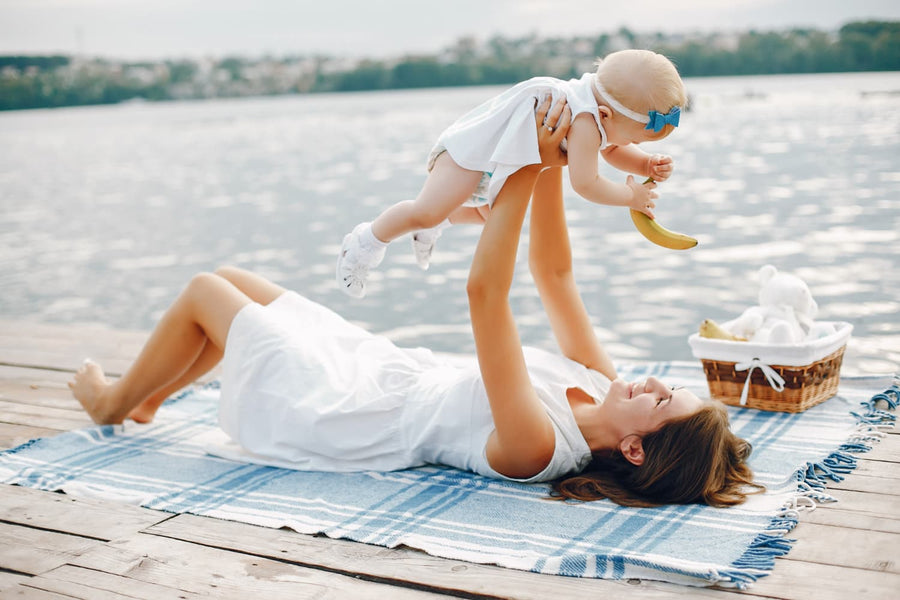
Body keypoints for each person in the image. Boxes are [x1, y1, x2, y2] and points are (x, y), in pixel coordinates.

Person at [69, 98, 759, 507]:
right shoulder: (599, 386)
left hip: (341, 413)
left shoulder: (538, 447)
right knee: (233, 279)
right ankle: (150, 399)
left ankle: (111, 406)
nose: (653, 382)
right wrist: (550, 162)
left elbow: (485, 298)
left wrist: (522, 161)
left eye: (662, 399)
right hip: (383, 369)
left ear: (634, 448)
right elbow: (554, 275)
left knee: (204, 291)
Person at [336, 48, 687, 298]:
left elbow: (612, 147)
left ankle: (439, 223)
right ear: (607, 117)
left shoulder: (598, 110)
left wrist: (643, 163)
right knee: (424, 210)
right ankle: (365, 243)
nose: (630, 143)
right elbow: (586, 183)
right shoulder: (583, 120)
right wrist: (632, 196)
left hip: (496, 166)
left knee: (491, 218)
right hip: (470, 155)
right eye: (635, 137)